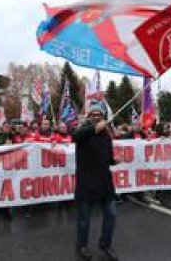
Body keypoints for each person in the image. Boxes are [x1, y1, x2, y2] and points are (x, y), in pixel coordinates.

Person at [73, 104, 118, 261]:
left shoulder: (106, 135)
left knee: (112, 214)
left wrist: (114, 161)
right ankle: (82, 246)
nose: (96, 116)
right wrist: (94, 129)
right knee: (84, 219)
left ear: (103, 116)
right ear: (89, 117)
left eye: (99, 114)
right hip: (86, 182)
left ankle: (105, 244)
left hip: (105, 182)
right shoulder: (83, 132)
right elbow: (76, 137)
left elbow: (107, 156)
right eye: (93, 114)